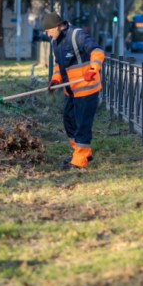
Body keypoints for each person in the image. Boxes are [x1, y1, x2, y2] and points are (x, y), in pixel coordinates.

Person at [43, 12, 105, 169]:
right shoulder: (55, 42)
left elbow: (97, 52)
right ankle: (80, 152)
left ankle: (80, 161)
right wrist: (55, 79)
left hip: (87, 89)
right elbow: (59, 64)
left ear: (58, 26)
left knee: (82, 125)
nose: (48, 35)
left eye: (49, 31)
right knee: (69, 120)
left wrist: (93, 69)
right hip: (70, 90)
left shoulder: (77, 35)